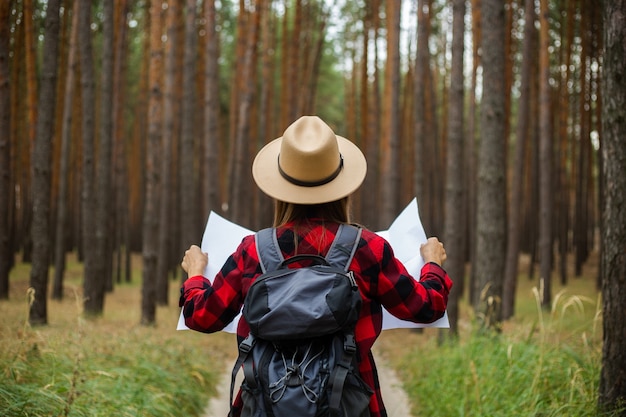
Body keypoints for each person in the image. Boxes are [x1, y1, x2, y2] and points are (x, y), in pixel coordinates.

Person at [180, 115, 452, 417]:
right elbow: (426, 307)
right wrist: (432, 264)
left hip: (267, 405)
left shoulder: (252, 252)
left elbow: (201, 316)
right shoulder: (367, 248)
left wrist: (195, 274)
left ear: (280, 188)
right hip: (349, 404)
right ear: (342, 187)